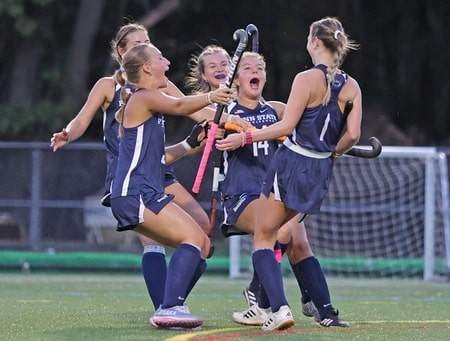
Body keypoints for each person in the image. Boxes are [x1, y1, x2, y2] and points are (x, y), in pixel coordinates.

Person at [49, 23, 218, 319]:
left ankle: (172, 300)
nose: (148, 48)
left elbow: (190, 109)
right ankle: (167, 307)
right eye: (139, 44)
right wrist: (67, 132)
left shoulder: (158, 86)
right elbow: (81, 120)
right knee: (163, 240)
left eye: (148, 42)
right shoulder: (117, 88)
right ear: (124, 53)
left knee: (201, 234)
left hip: (157, 169)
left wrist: (241, 124)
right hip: (131, 177)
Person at [216, 17, 361, 332]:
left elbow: (285, 127)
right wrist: (330, 151)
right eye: (248, 69)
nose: (255, 73)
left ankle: (275, 306)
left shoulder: (305, 80)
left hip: (291, 166)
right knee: (293, 235)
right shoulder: (352, 86)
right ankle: (323, 310)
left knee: (266, 238)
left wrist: (247, 137)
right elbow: (353, 135)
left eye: (260, 68)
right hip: (320, 169)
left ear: (313, 43)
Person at [112, 43, 232, 328]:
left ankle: (171, 304)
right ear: (146, 68)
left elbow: (161, 157)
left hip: (144, 191)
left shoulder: (148, 103)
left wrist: (192, 143)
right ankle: (170, 307)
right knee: (192, 239)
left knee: (201, 242)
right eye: (160, 57)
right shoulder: (143, 98)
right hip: (136, 192)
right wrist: (212, 96)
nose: (167, 61)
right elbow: (179, 105)